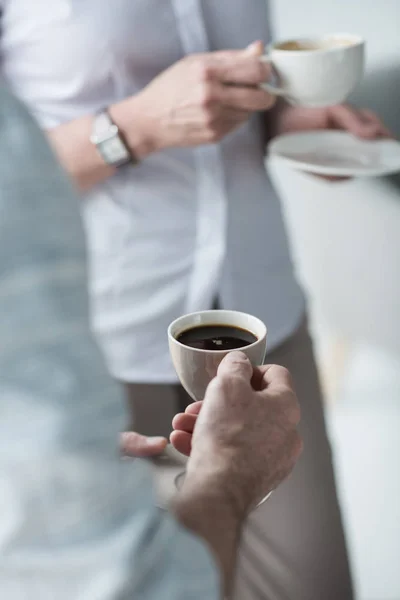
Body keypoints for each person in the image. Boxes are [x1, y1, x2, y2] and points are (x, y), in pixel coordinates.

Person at [0, 2, 392, 598]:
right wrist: (134, 127)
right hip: (94, 349)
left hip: (262, 318)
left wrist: (287, 120)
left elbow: (241, 92)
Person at [0, 83, 302, 598]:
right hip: (113, 341)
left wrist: (290, 118)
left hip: (270, 299)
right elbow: (138, 586)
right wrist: (231, 473)